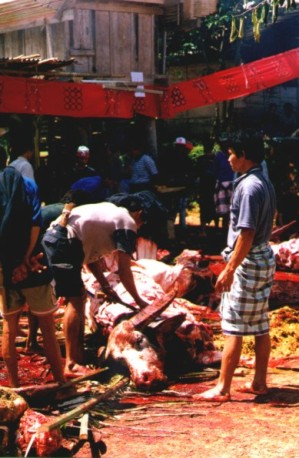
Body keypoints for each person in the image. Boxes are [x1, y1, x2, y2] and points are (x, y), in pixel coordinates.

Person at [194, 130, 276, 402]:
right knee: (260, 323)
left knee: (233, 325)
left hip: (248, 260)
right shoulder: (262, 181)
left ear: (243, 155)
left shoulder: (249, 187)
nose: (228, 159)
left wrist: (229, 269)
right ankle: (259, 382)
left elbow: (246, 233)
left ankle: (222, 387)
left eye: (231, 153)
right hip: (261, 257)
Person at [42, 198, 149, 378]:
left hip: (60, 238)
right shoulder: (127, 222)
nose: (139, 227)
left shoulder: (109, 213)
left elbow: (91, 257)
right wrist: (140, 302)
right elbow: (124, 270)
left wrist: (105, 285)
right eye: (142, 223)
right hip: (64, 241)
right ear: (139, 214)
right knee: (76, 300)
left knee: (79, 297)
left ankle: (77, 356)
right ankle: (73, 364)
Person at [0, 166, 65, 387]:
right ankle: (60, 383)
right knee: (47, 325)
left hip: (7, 267)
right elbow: (35, 225)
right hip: (34, 262)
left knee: (9, 324)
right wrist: (25, 259)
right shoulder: (27, 184)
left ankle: (15, 386)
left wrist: (9, 265)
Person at [213, 135, 234, 235]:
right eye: (222, 144)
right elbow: (215, 170)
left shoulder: (233, 155)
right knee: (223, 211)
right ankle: (224, 232)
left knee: (233, 210)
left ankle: (232, 232)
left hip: (232, 184)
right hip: (221, 185)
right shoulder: (218, 156)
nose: (224, 145)